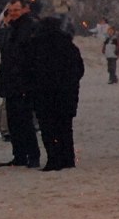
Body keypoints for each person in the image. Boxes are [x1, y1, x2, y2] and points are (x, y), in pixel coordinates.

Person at [25, 15, 84, 171]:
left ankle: (54, 159)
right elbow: (79, 70)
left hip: (44, 94)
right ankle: (68, 159)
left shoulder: (36, 46)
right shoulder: (69, 46)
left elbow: (30, 70)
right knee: (65, 127)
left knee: (48, 128)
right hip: (67, 95)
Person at [0, 0, 43, 168]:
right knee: (13, 122)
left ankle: (32, 155)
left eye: (16, 9)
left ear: (25, 9)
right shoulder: (11, 28)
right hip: (11, 81)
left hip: (24, 81)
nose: (13, 13)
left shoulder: (29, 27)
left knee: (25, 121)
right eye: (10, 10)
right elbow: (3, 49)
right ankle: (19, 155)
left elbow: (24, 54)